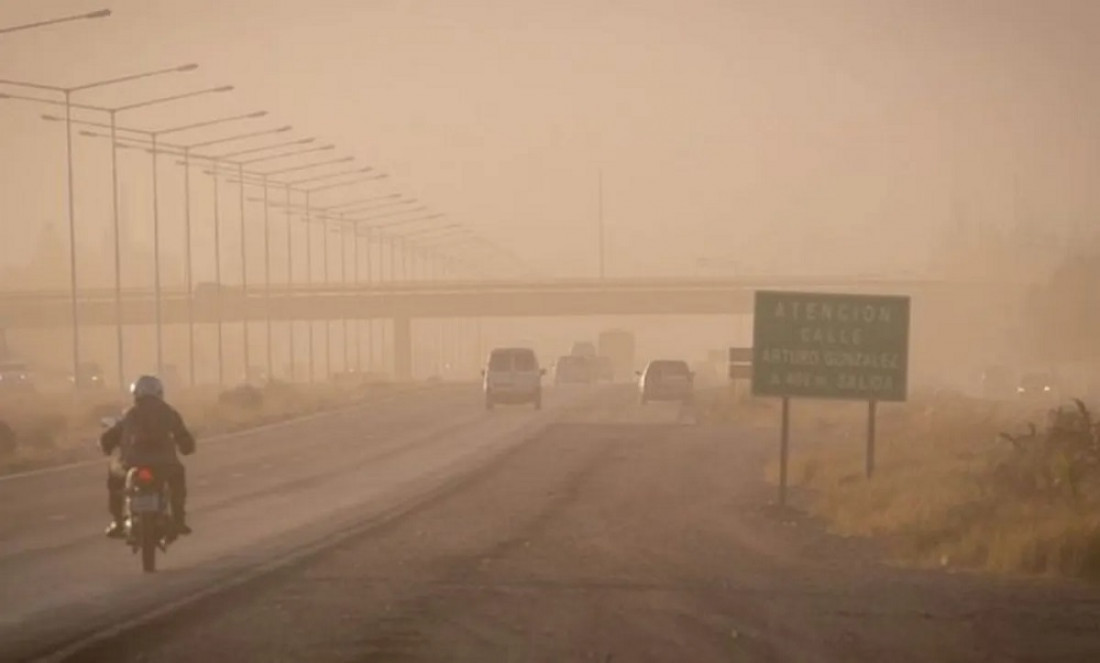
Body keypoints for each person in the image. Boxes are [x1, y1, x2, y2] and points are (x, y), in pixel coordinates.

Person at [100, 375, 196, 538]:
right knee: (178, 481)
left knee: (115, 479)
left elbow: (111, 436)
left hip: (132, 463)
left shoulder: (129, 414)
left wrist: (106, 446)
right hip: (165, 464)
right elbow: (183, 437)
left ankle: (118, 521)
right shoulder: (169, 413)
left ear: (136, 393)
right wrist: (187, 447)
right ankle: (179, 519)